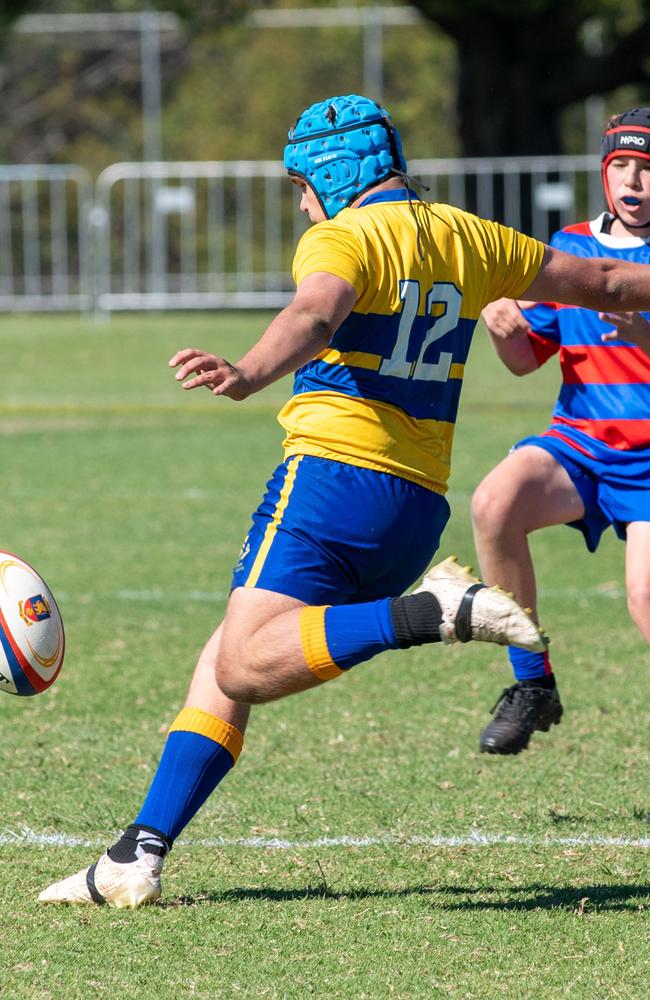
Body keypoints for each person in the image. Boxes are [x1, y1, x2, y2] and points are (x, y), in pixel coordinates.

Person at [39, 96, 650, 908]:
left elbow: (314, 310)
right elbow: (607, 279)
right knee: (225, 655)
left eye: (301, 184)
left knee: (243, 663)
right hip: (416, 501)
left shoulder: (343, 235)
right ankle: (136, 854)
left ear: (335, 172)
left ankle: (431, 612)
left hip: (333, 480)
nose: (300, 203)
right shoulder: (469, 235)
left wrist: (250, 371)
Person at [471, 107, 650, 756]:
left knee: (645, 599)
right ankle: (531, 683)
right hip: (581, 446)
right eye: (621, 166)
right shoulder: (572, 247)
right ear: (605, 173)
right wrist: (503, 330)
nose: (634, 181)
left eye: (647, 169)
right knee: (494, 504)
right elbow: (526, 362)